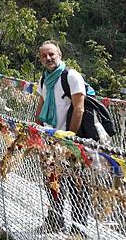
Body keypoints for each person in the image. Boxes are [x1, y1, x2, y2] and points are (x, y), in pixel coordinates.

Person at [35, 40, 89, 238]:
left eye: (52, 54)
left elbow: (79, 108)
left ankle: (78, 229)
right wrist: (37, 131)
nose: (48, 58)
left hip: (70, 140)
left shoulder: (71, 76)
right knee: (53, 182)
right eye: (44, 56)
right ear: (40, 59)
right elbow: (40, 106)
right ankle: (55, 220)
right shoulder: (44, 80)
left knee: (76, 185)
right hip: (50, 138)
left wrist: (70, 138)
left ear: (60, 55)